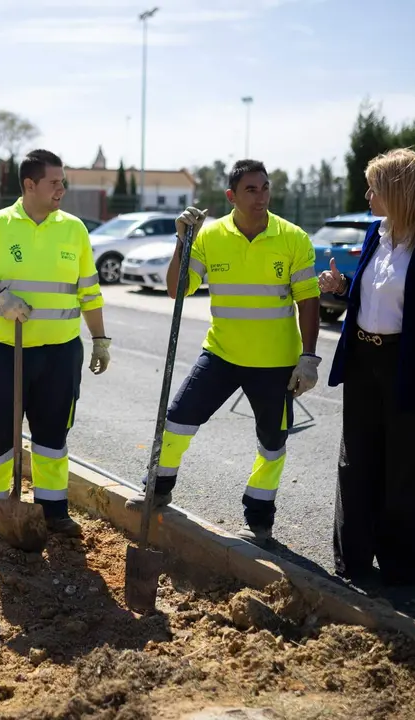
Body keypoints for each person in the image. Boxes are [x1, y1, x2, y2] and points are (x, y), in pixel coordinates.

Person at [124, 159, 322, 545]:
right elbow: (176, 289)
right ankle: (158, 487)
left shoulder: (293, 237)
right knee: (177, 419)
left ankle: (259, 518)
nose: (260, 196)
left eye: (265, 188)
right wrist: (183, 239)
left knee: (273, 442)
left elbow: (309, 300)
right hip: (221, 355)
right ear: (231, 196)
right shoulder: (210, 237)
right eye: (251, 189)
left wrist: (309, 357)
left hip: (276, 363)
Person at [321, 147, 415, 585]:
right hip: (364, 361)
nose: (367, 195)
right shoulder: (376, 233)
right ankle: (354, 560)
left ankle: (402, 567)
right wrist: (344, 287)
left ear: (398, 191)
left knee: (407, 465)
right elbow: (375, 298)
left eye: (374, 187)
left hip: (409, 364)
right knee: (357, 461)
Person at [0, 149, 111, 539]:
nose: (62, 189)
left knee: (53, 436)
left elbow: (88, 291)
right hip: (3, 353)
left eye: (63, 182)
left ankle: (53, 509)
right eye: (54, 182)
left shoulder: (74, 229)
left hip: (60, 354)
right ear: (30, 185)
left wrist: (100, 339)